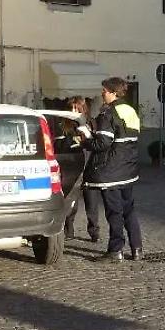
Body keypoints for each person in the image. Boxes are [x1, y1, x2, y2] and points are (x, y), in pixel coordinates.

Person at [78, 77, 143, 262]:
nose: (102, 93)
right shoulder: (130, 110)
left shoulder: (109, 113)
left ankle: (116, 250)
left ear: (113, 92)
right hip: (128, 169)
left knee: (114, 211)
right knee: (129, 209)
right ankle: (137, 248)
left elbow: (103, 143)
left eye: (104, 91)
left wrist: (86, 140)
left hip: (111, 171)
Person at [63, 96, 102, 243]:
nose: (73, 111)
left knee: (92, 203)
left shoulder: (91, 123)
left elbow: (97, 144)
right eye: (71, 108)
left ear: (83, 109)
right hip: (72, 168)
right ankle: (69, 230)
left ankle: (94, 232)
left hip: (89, 166)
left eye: (76, 108)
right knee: (71, 202)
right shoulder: (65, 125)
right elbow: (62, 145)